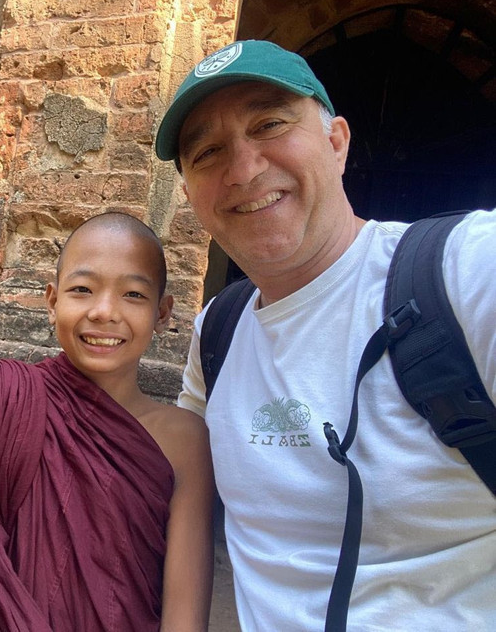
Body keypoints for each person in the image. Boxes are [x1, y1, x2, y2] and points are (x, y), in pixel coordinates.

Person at [154, 39, 496, 630]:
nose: (244, 169)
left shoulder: (465, 272)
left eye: (269, 123)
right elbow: (167, 476)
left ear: (337, 142)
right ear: (189, 197)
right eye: (208, 152)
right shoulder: (220, 328)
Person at [0, 212, 215, 631]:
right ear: (53, 301)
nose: (104, 312)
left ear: (163, 313)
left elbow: (185, 609)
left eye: (133, 295)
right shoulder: (8, 402)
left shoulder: (185, 439)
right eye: (83, 290)